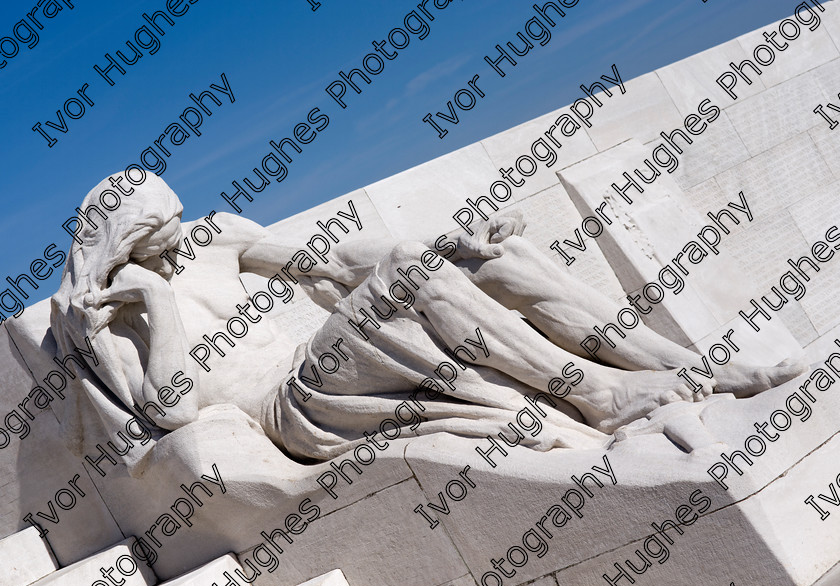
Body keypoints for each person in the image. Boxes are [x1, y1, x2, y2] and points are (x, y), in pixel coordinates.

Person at [51, 173, 804, 466]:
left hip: (331, 358)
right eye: (163, 230)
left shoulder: (219, 237)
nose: (183, 233)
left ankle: (684, 367)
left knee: (485, 260)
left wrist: (451, 246)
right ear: (125, 243)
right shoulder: (110, 318)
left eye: (180, 216)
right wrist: (154, 302)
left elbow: (331, 261)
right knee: (408, 271)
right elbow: (173, 409)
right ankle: (599, 396)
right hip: (294, 407)